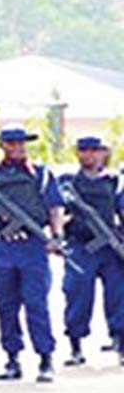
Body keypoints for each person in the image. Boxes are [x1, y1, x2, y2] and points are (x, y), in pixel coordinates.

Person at [0, 124, 67, 383]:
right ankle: (12, 358)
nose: (16, 147)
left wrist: (56, 236)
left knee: (36, 303)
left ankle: (45, 358)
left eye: (20, 143)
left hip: (32, 245)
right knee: (6, 304)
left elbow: (55, 206)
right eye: (11, 143)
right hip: (2, 245)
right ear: (1, 145)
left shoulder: (40, 174)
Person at [58, 135, 124, 366]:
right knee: (77, 295)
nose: (90, 154)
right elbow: (55, 211)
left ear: (104, 153)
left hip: (109, 248)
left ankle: (120, 343)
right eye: (84, 150)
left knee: (118, 297)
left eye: (95, 150)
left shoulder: (114, 182)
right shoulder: (68, 182)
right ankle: (76, 347)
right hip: (80, 245)